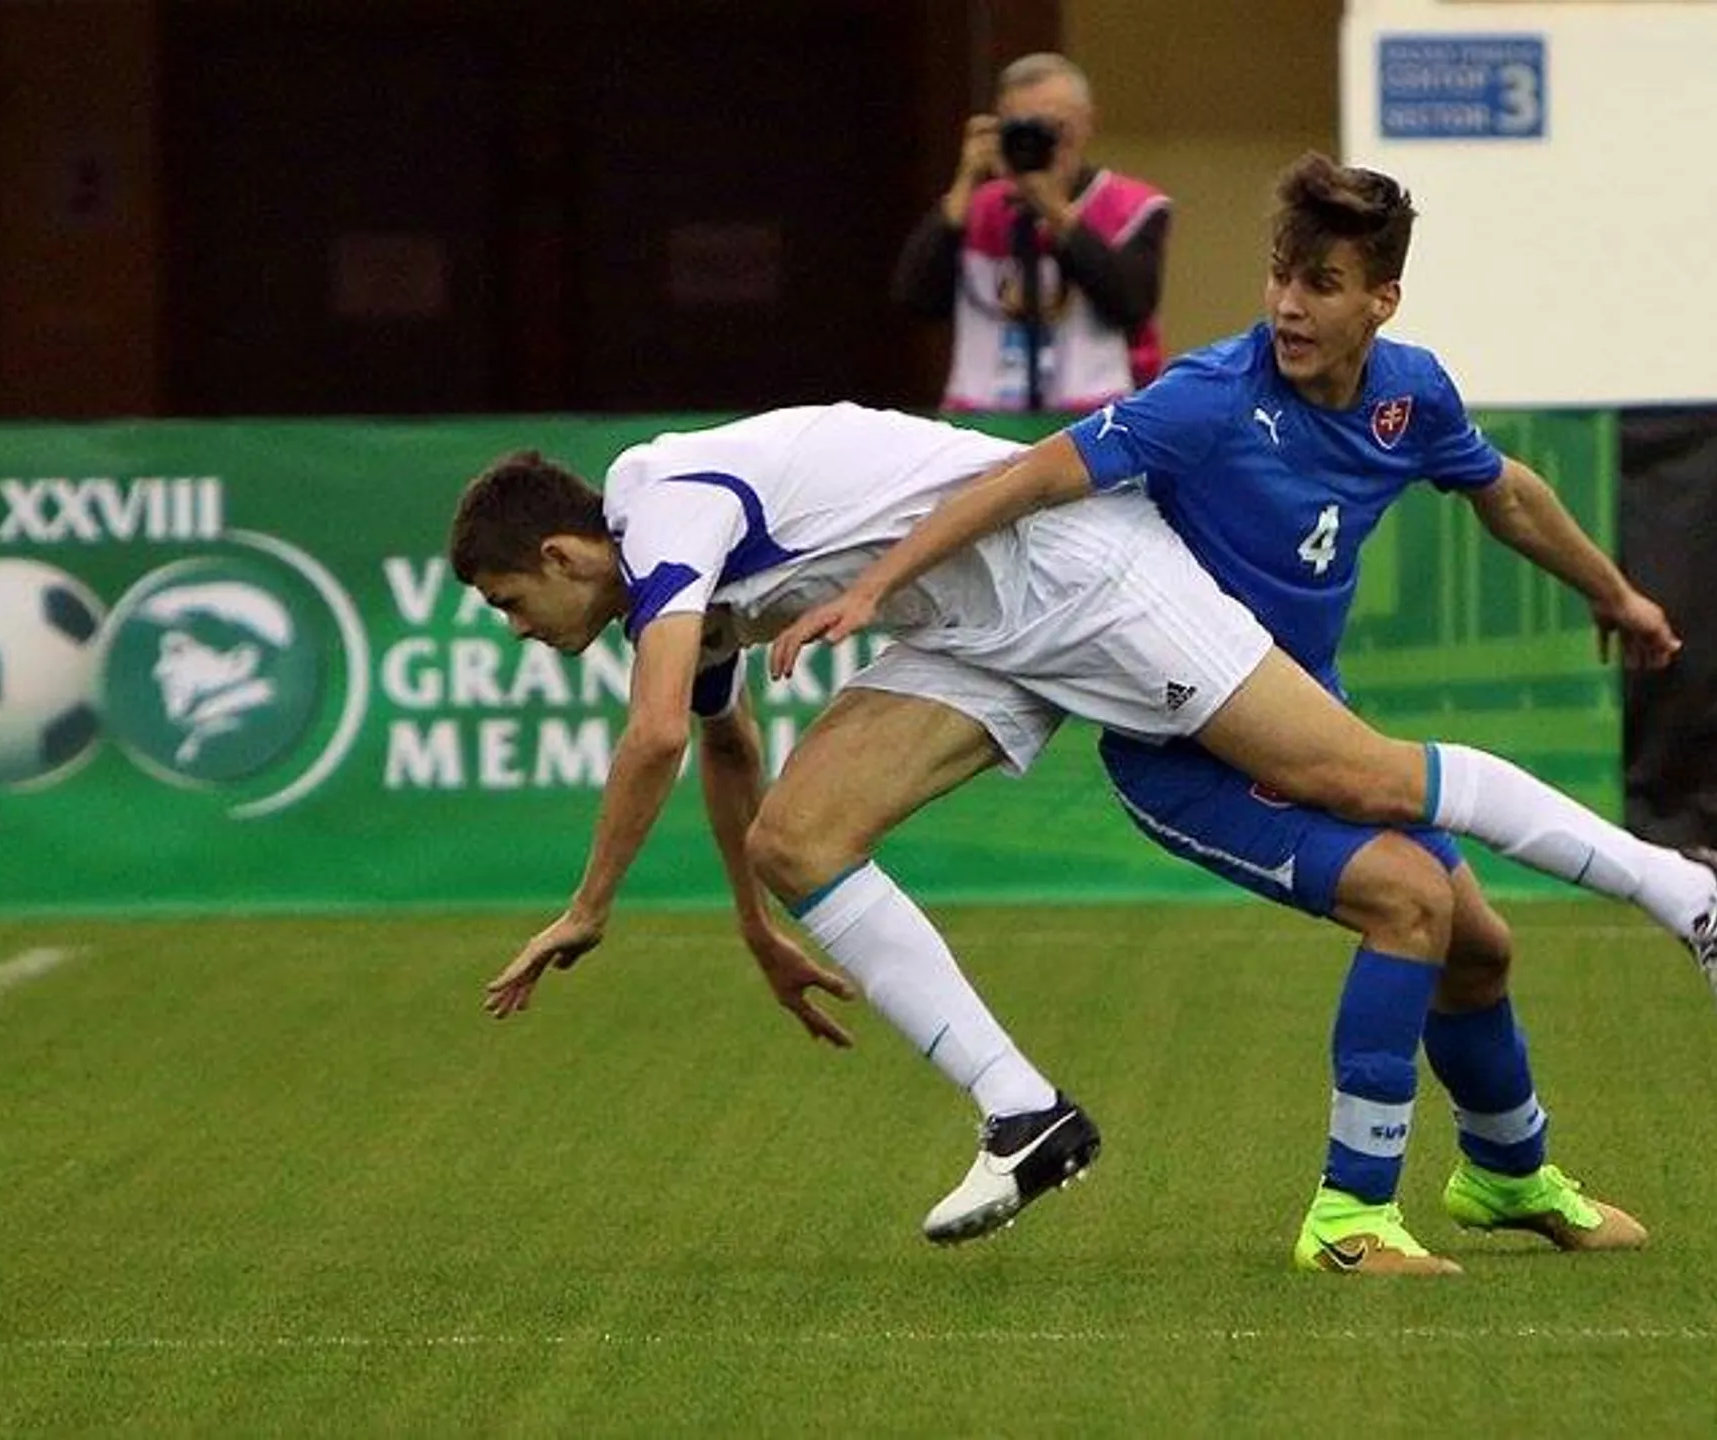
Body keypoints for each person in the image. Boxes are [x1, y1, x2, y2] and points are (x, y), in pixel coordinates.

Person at [452, 398, 1717, 1253]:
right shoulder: (669, 569)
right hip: (969, 627)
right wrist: (753, 924)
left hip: (1076, 572)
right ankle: (1025, 1115)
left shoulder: (666, 508)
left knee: (1364, 778)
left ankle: (1681, 889)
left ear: (565, 555)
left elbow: (655, 736)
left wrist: (590, 907)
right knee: (800, 842)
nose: (519, 631)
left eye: (512, 603)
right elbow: (724, 745)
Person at [769, 152, 1717, 1272]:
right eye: (1279, 274)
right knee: (1410, 900)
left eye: (1321, 283)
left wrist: (1613, 593)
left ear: (1382, 301)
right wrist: (877, 586)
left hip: (1305, 717)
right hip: (1186, 750)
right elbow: (1026, 478)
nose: (1288, 305)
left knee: (1480, 950)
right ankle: (1351, 1218)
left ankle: (1507, 1174)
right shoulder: (1213, 395)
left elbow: (1503, 491)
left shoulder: (1410, 395)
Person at [893, 52, 1168, 414]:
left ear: (1088, 123)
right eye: (1022, 128)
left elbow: (1132, 304)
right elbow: (916, 298)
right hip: (981, 416)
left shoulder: (1131, 207)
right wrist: (966, 180)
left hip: (1091, 417)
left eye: (1057, 127)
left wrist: (1055, 210)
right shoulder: (975, 206)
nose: (1042, 142)